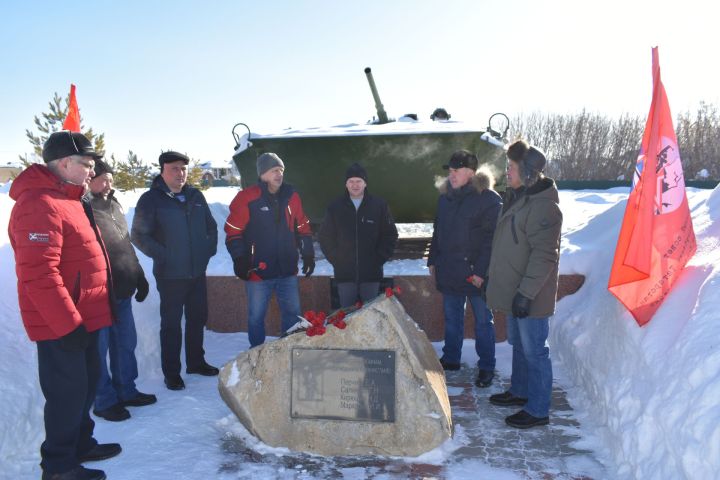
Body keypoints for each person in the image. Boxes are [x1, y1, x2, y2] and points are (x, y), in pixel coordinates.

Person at [9, 131, 121, 480]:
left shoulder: (70, 199)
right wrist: (68, 324)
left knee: (86, 386)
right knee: (66, 394)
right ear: (64, 163)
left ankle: (80, 444)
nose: (92, 170)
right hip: (62, 324)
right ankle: (58, 465)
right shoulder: (38, 204)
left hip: (83, 317)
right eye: (87, 165)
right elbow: (40, 275)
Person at [486, 139, 562, 429]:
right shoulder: (518, 197)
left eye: (512, 168)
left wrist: (526, 294)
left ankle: (538, 409)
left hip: (531, 294)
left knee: (535, 351)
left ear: (529, 172)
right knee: (519, 344)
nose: (507, 172)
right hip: (515, 289)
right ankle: (520, 391)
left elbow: (545, 256)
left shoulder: (544, 207)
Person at [131, 151, 219, 391]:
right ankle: (172, 373)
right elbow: (138, 235)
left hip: (196, 273)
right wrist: (165, 256)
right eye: (174, 169)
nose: (180, 173)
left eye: (183, 169)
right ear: (163, 171)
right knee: (171, 324)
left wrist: (206, 252)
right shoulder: (151, 199)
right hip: (170, 275)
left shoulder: (195, 196)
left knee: (197, 318)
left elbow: (211, 228)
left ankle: (196, 362)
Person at [86, 160, 156, 422]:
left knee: (125, 343)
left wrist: (138, 274)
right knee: (100, 349)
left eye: (111, 179)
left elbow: (124, 244)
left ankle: (126, 390)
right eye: (102, 179)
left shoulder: (114, 205)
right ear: (90, 179)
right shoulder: (84, 208)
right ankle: (103, 401)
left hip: (122, 289)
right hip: (100, 291)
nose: (108, 184)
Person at [427, 150, 501, 388]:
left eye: (456, 170)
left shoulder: (488, 199)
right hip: (450, 268)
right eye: (449, 171)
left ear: (470, 172)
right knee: (452, 318)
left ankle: (487, 366)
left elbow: (492, 240)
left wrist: (481, 272)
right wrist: (432, 259)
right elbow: (438, 232)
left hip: (476, 273)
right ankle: (451, 359)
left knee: (482, 321)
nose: (451, 175)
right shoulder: (444, 199)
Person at [225, 152, 314, 347]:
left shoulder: (292, 196)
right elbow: (233, 232)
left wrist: (308, 253)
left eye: (281, 170)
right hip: (258, 272)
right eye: (274, 170)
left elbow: (303, 226)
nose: (279, 174)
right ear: (263, 173)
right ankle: (256, 355)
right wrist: (240, 259)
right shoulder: (247, 198)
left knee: (292, 314)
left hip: (287, 270)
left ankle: (288, 351)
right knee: (256, 317)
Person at [319, 163, 398, 307]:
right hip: (345, 275)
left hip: (371, 275)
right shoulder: (335, 207)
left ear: (365, 183)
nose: (355, 185)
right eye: (351, 181)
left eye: (359, 181)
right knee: (346, 318)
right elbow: (325, 236)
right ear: (346, 184)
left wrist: (378, 259)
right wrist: (337, 259)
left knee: (371, 316)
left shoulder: (379, 205)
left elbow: (390, 235)